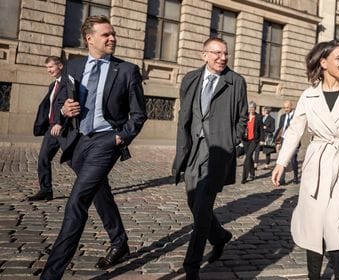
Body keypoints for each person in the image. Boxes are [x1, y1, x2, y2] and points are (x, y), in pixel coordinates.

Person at [41, 15, 147, 279]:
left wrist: (121, 137)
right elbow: (60, 102)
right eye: (106, 35)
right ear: (89, 39)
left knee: (77, 201)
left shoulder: (126, 70)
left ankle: (51, 274)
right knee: (100, 192)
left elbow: (139, 113)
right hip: (77, 141)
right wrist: (64, 110)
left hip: (106, 140)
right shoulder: (73, 67)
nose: (112, 38)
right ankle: (119, 241)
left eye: (113, 34)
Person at [271, 40, 339, 280]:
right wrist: (281, 162)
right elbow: (295, 130)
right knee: (313, 223)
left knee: (334, 223)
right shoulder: (309, 95)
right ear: (323, 62)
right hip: (316, 161)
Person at [171, 37, 248, 280]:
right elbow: (186, 113)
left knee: (203, 208)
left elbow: (243, 117)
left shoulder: (236, 81)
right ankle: (220, 236)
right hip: (192, 149)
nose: (222, 58)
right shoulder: (191, 78)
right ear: (204, 55)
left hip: (217, 152)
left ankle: (191, 266)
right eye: (216, 53)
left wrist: (231, 140)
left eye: (225, 53)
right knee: (194, 202)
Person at [29, 56, 64, 201]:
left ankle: (96, 186)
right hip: (52, 129)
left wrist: (60, 122)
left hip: (64, 128)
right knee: (43, 158)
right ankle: (46, 190)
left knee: (75, 162)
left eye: (51, 67)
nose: (48, 70)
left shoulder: (69, 83)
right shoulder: (53, 85)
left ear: (60, 66)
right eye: (47, 68)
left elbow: (71, 103)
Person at [274, 100, 300, 184]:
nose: (286, 109)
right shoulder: (282, 117)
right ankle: (282, 179)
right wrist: (278, 142)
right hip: (283, 140)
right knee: (282, 159)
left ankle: (296, 177)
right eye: (284, 107)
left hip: (293, 140)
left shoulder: (296, 117)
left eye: (287, 107)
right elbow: (280, 129)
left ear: (291, 106)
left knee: (293, 160)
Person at [242, 101, 262, 183]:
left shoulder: (258, 117)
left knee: (247, 157)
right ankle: (252, 173)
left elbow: (261, 129)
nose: (251, 109)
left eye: (252, 108)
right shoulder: (245, 116)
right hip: (246, 140)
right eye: (250, 108)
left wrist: (261, 140)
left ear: (255, 109)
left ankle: (244, 177)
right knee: (249, 157)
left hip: (254, 140)